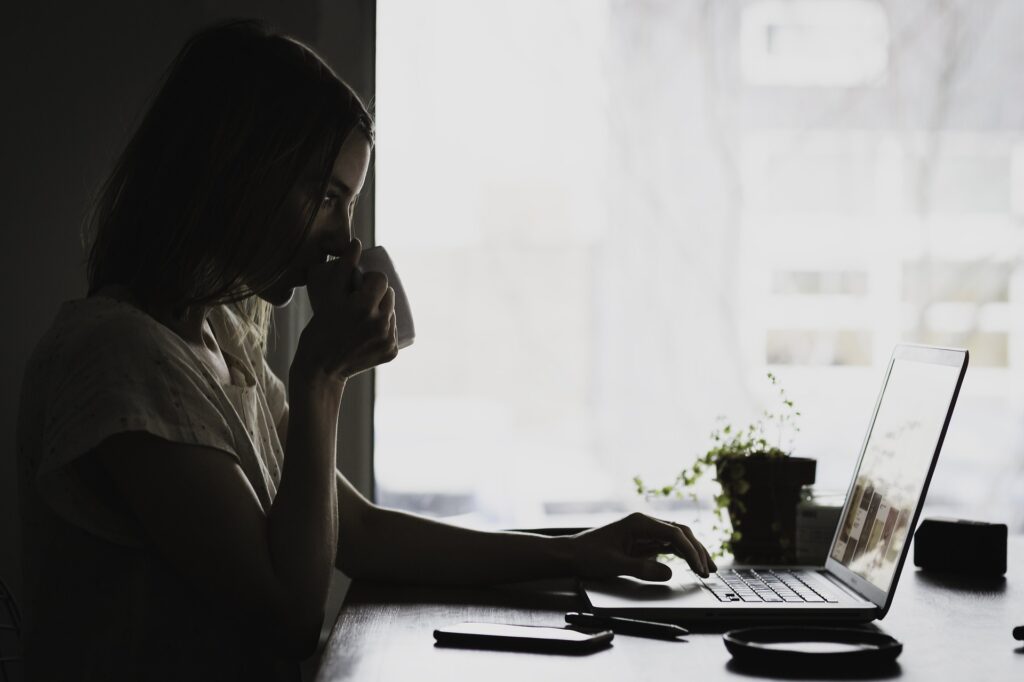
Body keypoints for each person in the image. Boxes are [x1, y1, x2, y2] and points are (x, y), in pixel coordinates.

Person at [15, 19, 715, 681]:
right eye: (326, 196)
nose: (345, 241)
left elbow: (358, 531)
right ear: (236, 174)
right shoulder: (118, 356)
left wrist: (577, 552)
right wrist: (321, 374)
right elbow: (286, 613)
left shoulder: (219, 344)